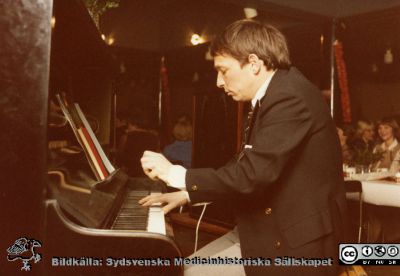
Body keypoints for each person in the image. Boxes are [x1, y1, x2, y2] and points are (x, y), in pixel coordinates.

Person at [140, 19, 346, 276]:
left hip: (297, 245)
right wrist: (188, 194)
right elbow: (242, 164)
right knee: (186, 270)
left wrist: (173, 174)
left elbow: (251, 175)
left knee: (188, 273)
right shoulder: (273, 93)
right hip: (268, 229)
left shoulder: (289, 96)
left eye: (223, 70)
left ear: (254, 64)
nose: (218, 81)